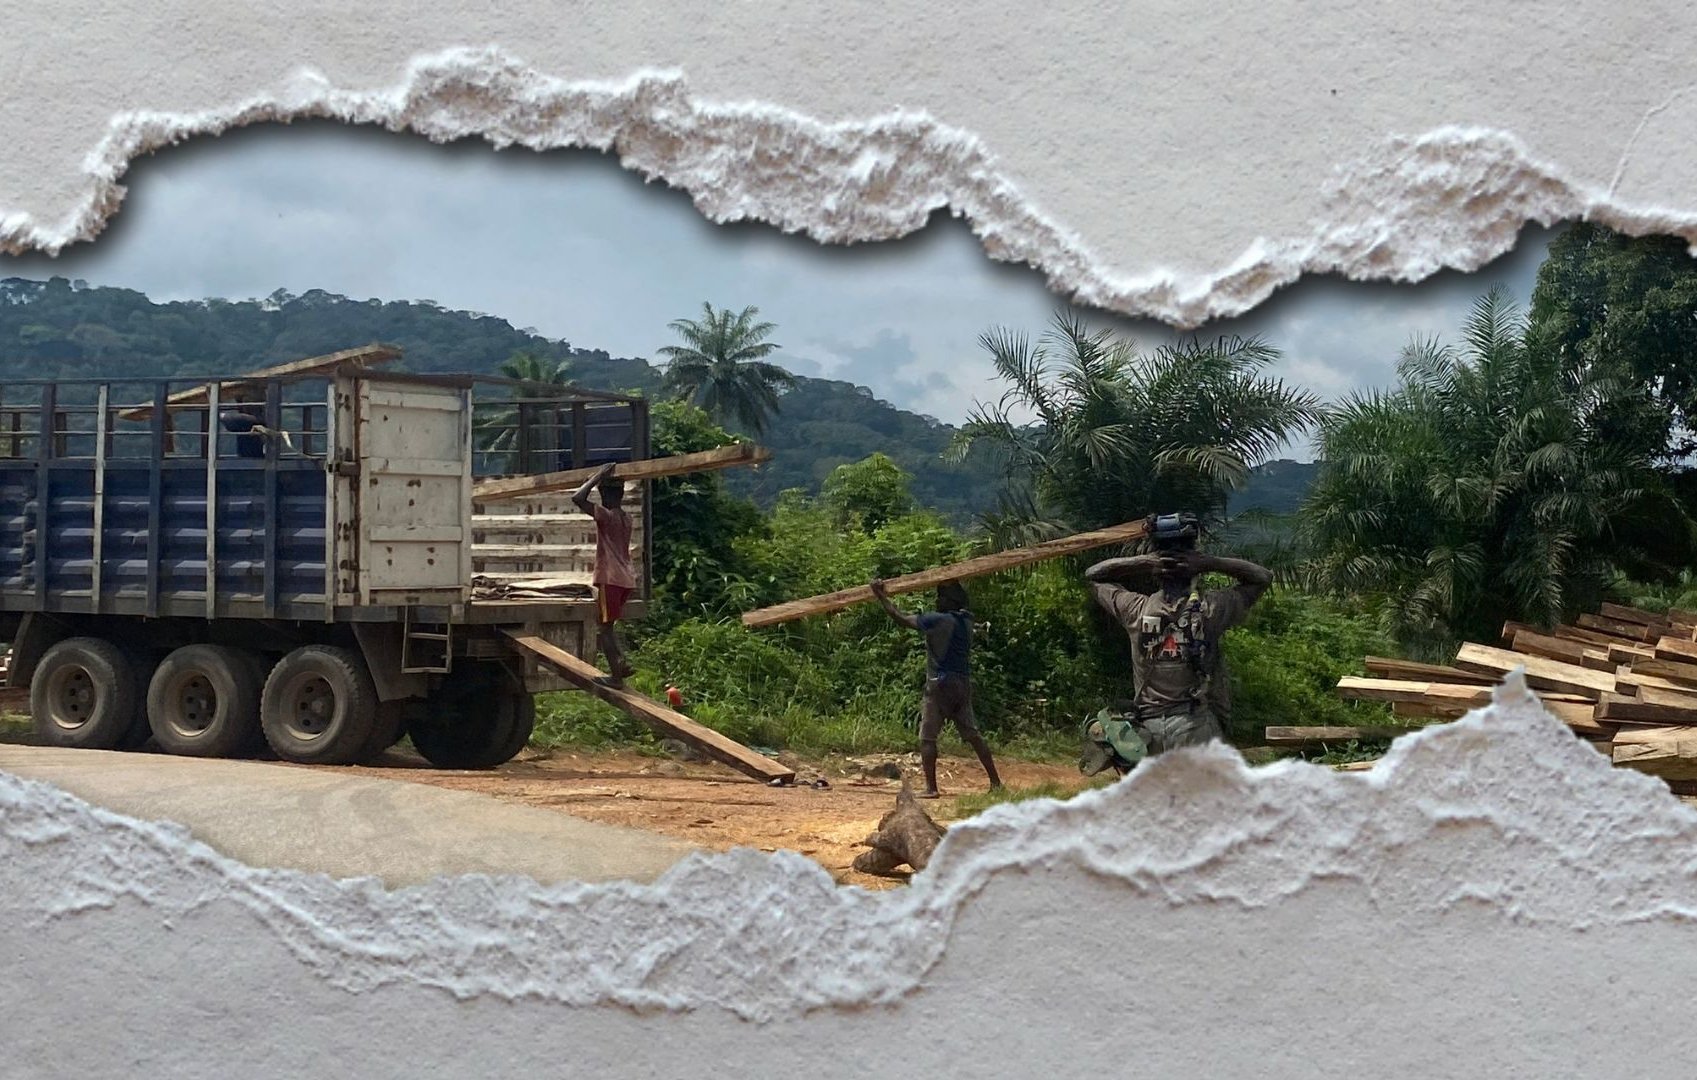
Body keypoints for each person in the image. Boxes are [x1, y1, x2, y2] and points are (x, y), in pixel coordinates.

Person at [1081, 512, 1272, 762]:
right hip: (1195, 727)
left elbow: (1093, 575)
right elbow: (1262, 577)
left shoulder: (1135, 609)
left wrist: (1145, 561)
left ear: (1156, 573)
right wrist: (1206, 561)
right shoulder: (1210, 610)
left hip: (1148, 734)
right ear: (1194, 568)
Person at [869, 577, 1003, 798]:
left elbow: (900, 617)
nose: (937, 600)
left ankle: (931, 788)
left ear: (950, 601)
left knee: (928, 737)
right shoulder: (967, 622)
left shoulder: (937, 620)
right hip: (962, 682)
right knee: (972, 734)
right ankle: (995, 782)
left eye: (941, 596)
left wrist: (881, 596)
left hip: (939, 684)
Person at [572, 461, 637, 687]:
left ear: (604, 496)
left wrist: (597, 476)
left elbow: (578, 498)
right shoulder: (627, 518)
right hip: (626, 579)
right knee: (608, 625)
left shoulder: (606, 516)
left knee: (604, 628)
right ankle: (620, 663)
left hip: (610, 578)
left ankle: (616, 676)